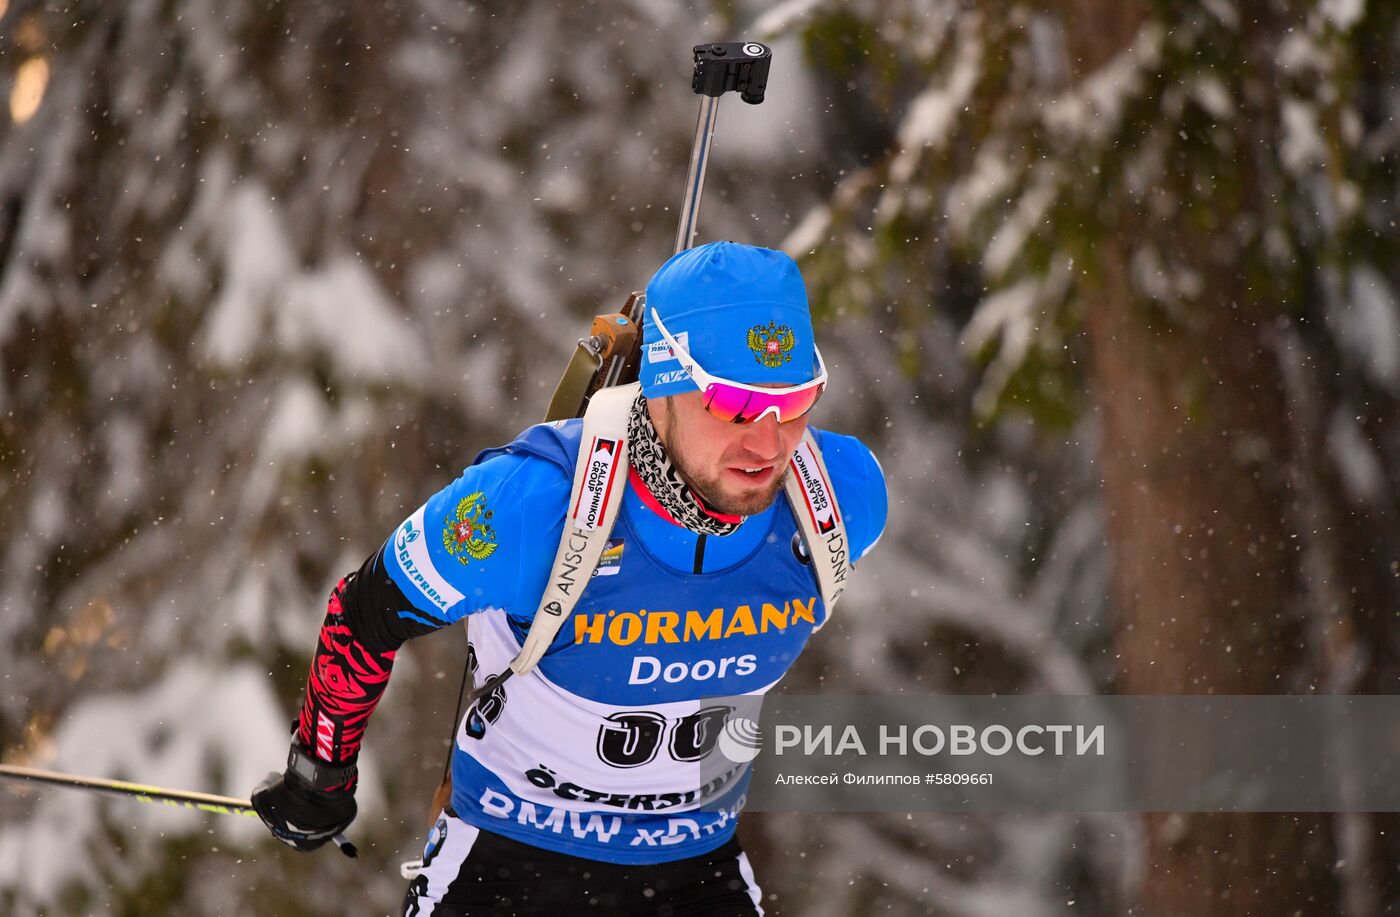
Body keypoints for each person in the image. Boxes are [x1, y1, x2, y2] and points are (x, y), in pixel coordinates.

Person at [251, 241, 888, 916]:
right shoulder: (530, 505)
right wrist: (319, 771)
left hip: (693, 869)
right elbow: (368, 611)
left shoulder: (841, 501)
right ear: (665, 382)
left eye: (793, 402)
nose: (768, 444)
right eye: (733, 404)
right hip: (508, 860)